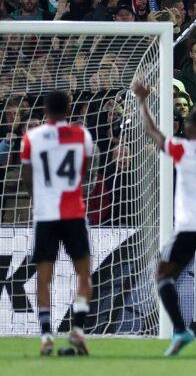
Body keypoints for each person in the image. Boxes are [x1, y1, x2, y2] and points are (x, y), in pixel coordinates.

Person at [132, 80, 196, 357]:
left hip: (189, 226)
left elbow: (152, 132)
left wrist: (142, 102)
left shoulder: (184, 149)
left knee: (162, 276)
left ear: (190, 129)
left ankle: (180, 330)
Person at [20, 91, 94, 357]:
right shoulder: (83, 135)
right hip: (73, 213)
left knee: (43, 278)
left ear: (44, 109)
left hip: (45, 215)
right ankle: (77, 329)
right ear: (69, 108)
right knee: (84, 274)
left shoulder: (32, 137)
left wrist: (37, 197)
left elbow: (27, 173)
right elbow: (83, 171)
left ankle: (46, 336)